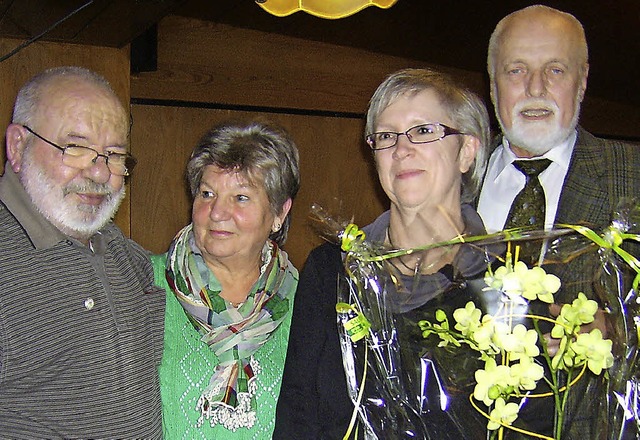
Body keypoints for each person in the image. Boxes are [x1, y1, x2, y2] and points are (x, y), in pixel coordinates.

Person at [274, 68, 496, 439]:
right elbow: (299, 412)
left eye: (423, 131)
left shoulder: (508, 279)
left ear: (466, 151)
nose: (401, 149)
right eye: (386, 136)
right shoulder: (332, 270)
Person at [0, 66, 165, 437]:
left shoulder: (122, 253)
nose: (101, 172)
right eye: (75, 148)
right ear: (17, 146)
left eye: (115, 154)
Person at [153, 120, 300, 438]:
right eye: (207, 193)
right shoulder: (143, 284)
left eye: (241, 197)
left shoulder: (307, 302)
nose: (217, 212)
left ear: (279, 213)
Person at [477, 4, 640, 238]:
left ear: (582, 82)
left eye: (555, 70)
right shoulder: (452, 178)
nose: (535, 89)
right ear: (493, 85)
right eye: (516, 70)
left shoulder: (633, 175)